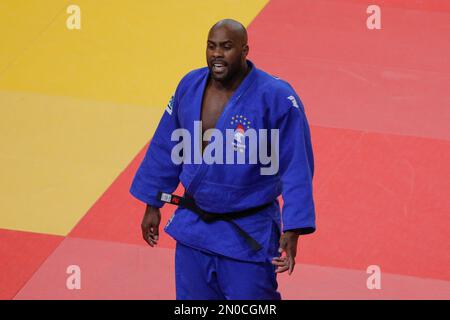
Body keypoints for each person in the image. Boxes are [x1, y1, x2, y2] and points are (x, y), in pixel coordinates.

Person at [130, 19, 316, 300]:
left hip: (247, 233)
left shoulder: (277, 97)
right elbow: (165, 146)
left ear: (245, 50)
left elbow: (296, 166)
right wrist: (153, 203)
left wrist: (293, 228)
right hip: (194, 230)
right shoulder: (189, 85)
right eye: (211, 46)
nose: (217, 54)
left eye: (227, 47)